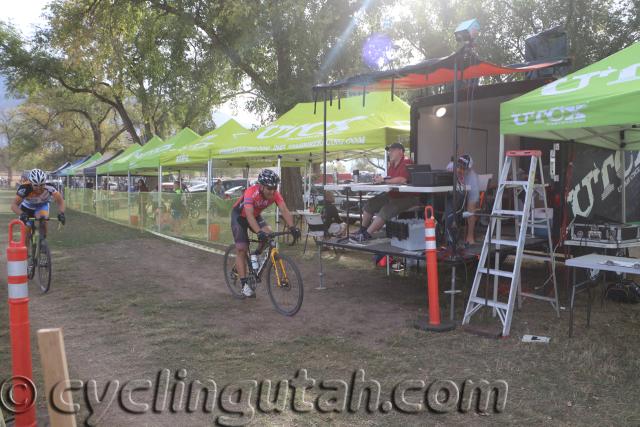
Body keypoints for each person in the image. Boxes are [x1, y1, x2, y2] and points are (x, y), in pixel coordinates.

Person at [230, 169, 301, 298]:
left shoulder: (275, 194)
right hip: (240, 217)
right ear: (261, 186)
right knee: (242, 249)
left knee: (269, 234)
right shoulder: (251, 192)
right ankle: (245, 285)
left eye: (275, 187)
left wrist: (292, 227)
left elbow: (284, 209)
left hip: (255, 216)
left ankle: (255, 256)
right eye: (269, 188)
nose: (272, 191)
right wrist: (258, 232)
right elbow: (249, 216)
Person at [351, 142, 420, 242]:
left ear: (400, 151)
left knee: (386, 209)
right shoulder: (391, 165)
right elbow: (391, 179)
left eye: (392, 150)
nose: (390, 153)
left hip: (409, 198)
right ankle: (362, 230)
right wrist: (380, 180)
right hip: (393, 196)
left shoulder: (407, 162)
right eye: (389, 151)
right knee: (370, 204)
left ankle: (366, 235)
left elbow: (402, 179)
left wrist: (384, 180)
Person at [11, 169, 66, 235]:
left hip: (42, 206)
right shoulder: (24, 188)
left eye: (42, 185)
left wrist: (61, 213)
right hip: (27, 207)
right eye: (36, 185)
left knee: (43, 221)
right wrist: (22, 214)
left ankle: (42, 240)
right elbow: (14, 205)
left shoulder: (50, 187)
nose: (39, 188)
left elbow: (60, 201)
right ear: (30, 183)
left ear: (45, 182)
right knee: (26, 232)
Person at [445, 154, 480, 246]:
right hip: (452, 196)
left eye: (463, 168)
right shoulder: (451, 167)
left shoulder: (473, 179)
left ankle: (470, 236)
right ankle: (447, 236)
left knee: (471, 209)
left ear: (469, 169)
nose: (460, 170)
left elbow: (471, 205)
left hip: (464, 198)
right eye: (459, 166)